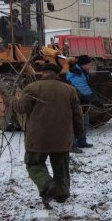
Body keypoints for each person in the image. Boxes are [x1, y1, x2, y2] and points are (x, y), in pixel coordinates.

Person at [9, 63, 84, 205]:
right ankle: (62, 195)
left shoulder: (32, 88)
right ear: (57, 74)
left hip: (37, 138)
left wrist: (11, 100)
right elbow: (78, 114)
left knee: (33, 163)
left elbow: (21, 108)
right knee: (61, 167)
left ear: (42, 73)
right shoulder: (69, 90)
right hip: (62, 138)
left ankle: (46, 184)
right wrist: (79, 133)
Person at [66, 55, 103, 150]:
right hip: (73, 102)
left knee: (85, 120)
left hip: (81, 101)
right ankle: (72, 144)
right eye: (89, 64)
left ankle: (82, 141)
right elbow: (83, 89)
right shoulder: (76, 74)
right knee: (75, 122)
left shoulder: (82, 72)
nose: (90, 66)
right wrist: (95, 99)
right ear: (83, 64)